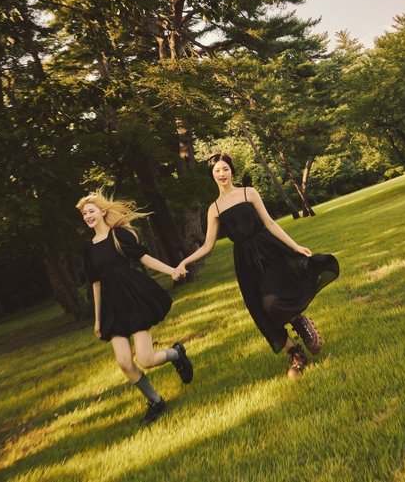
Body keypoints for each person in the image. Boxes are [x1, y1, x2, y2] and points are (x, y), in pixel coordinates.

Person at [174, 153, 339, 378]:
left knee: (272, 303)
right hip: (245, 262)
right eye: (217, 171)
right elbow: (207, 245)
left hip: (268, 250)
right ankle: (295, 354)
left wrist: (295, 246)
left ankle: (298, 320)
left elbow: (269, 222)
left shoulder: (248, 192)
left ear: (231, 170)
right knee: (260, 311)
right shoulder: (214, 209)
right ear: (212, 176)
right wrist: (185, 261)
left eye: (225, 169)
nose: (222, 174)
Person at [76, 189, 193, 425]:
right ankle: (155, 401)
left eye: (91, 211)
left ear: (102, 211)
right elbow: (95, 283)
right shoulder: (89, 249)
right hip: (111, 306)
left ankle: (176, 354)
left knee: (146, 359)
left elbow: (144, 257)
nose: (88, 216)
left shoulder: (118, 235)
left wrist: (172, 270)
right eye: (84, 213)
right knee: (124, 362)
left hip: (132, 298)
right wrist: (98, 319)